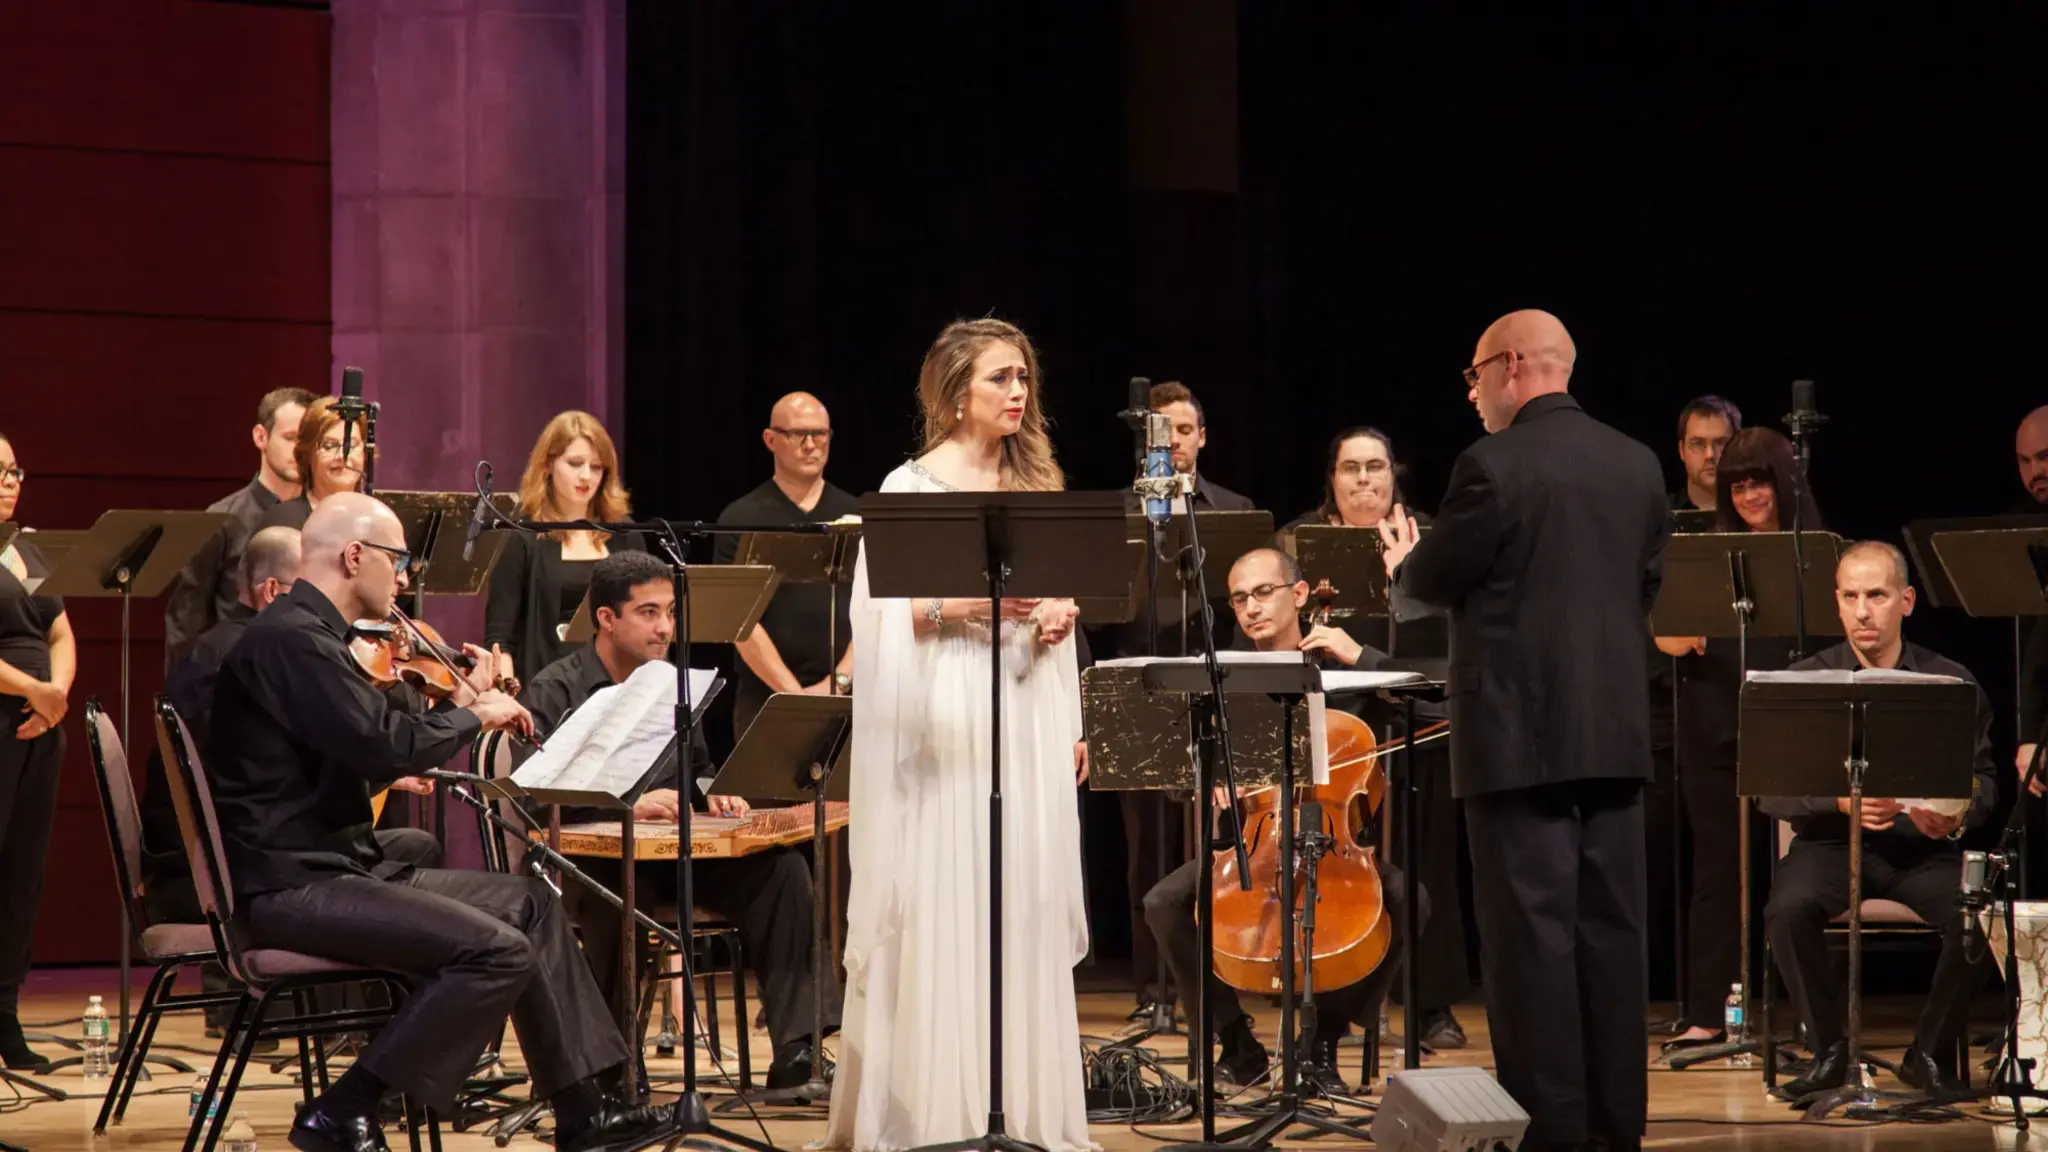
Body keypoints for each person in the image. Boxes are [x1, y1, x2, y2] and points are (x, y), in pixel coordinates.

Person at [207, 493, 668, 1152]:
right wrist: (471, 715)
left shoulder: (310, 638)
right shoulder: (291, 640)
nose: (404, 579)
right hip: (294, 887)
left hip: (338, 865)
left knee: (532, 905)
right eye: (397, 561)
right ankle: (345, 1106)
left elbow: (356, 747)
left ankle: (584, 1112)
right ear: (354, 555)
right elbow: (383, 745)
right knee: (495, 949)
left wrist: (447, 704)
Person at [1379, 310, 1667, 1152]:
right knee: (1612, 945)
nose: (1470, 395)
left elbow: (1436, 576)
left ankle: (1554, 1137)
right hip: (1614, 737)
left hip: (1516, 745)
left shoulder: (1490, 466)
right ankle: (1616, 1132)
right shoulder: (1639, 463)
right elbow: (1642, 588)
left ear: (1510, 367)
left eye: (1472, 376)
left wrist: (1404, 563)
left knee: (1530, 953)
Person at [822, 318, 1093, 1152]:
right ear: (953, 394)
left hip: (1022, 707)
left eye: (1023, 379)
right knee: (948, 893)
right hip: (947, 719)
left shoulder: (1037, 482)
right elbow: (882, 619)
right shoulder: (908, 491)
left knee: (1020, 894)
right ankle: (938, 1114)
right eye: (1000, 379)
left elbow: (1063, 593)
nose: (1017, 393)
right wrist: (967, 607)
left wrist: (1058, 611)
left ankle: (1021, 1110)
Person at [519, 550, 842, 1090]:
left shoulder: (674, 684)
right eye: (648, 612)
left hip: (674, 854)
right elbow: (533, 798)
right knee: (617, 896)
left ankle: (798, 1049)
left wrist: (715, 797)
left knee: (782, 871)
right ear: (606, 618)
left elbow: (699, 770)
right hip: (589, 863)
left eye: (670, 611)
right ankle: (612, 1064)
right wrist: (624, 804)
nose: (665, 627)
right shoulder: (556, 689)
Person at [1142, 547, 1429, 1096]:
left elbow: (1428, 706)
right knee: (1164, 904)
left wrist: (1363, 656)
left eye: (1263, 592)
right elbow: (1176, 771)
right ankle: (1238, 1046)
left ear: (1298, 595)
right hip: (1254, 845)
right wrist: (1211, 781)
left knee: (1408, 900)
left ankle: (1324, 1043)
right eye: (1240, 598)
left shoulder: (1343, 667)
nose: (1251, 608)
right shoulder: (1220, 675)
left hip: (1332, 840)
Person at [141, 527, 443, 1034]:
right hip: (219, 869)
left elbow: (273, 771)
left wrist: (370, 774)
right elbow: (249, 790)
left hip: (235, 850)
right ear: (274, 593)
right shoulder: (259, 649)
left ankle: (376, 1025)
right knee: (425, 883)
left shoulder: (231, 644)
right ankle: (387, 1032)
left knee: (412, 847)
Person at [1763, 542, 1997, 1100]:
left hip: (1921, 851)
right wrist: (1839, 804)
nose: (1863, 611)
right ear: (1837, 604)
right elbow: (1769, 791)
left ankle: (1928, 1054)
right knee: (1786, 911)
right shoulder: (1805, 680)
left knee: (1983, 919)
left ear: (1906, 601)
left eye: (1877, 595)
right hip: (1829, 847)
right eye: (1850, 597)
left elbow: (1985, 781)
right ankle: (1829, 1052)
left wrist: (1954, 817)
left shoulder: (1950, 681)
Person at [1281, 427, 1467, 1049]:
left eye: (1376, 467)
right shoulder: (1298, 544)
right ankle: (1336, 994)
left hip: (1413, 723)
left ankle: (1431, 1002)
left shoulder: (1433, 542)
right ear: (1331, 479)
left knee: (1427, 862)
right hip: (1337, 732)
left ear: (1396, 475)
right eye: (1350, 469)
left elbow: (1444, 654)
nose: (1364, 479)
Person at [1653, 426, 1820, 1052]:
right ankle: (1708, 1012)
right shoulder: (1708, 552)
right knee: (1717, 871)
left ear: (1786, 482)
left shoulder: (1814, 551)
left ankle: (1808, 1012)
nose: (1750, 494)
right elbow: (1667, 637)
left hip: (1794, 728)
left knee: (1800, 871)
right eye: (1738, 484)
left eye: (1759, 481)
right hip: (1714, 723)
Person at [1113, 379, 1255, 1018]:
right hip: (1140, 695)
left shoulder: (1232, 508)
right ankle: (1152, 989)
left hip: (1212, 690)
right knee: (1146, 849)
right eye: (1162, 430)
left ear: (1203, 437)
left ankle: (1217, 988)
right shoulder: (1119, 512)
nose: (1175, 442)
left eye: (1186, 430)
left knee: (1217, 844)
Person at [712, 392, 859, 738]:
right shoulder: (739, 518)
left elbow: (878, 608)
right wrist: (792, 695)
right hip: (766, 699)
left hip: (850, 693)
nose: (811, 445)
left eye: (820, 434)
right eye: (797, 435)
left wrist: (838, 681)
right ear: (770, 439)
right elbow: (740, 620)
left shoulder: (858, 516)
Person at [0, 432, 75, 1071]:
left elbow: (60, 629)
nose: (10, 481)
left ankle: (5, 1016)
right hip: (5, 717)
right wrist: (32, 690)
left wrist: (56, 694)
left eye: (15, 470)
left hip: (40, 728)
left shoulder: (32, 546)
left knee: (22, 873)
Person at [163, 387, 315, 667]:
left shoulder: (320, 516)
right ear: (261, 436)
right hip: (236, 674)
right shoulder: (222, 517)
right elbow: (187, 617)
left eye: (306, 440)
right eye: (290, 438)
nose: (299, 450)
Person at [485, 411, 640, 680]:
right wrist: (507, 699)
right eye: (575, 463)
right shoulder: (524, 536)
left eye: (596, 467)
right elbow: (501, 639)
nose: (586, 476)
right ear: (547, 464)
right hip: (548, 691)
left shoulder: (625, 534)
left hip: (618, 687)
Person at [257, 395, 366, 531]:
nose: (342, 456)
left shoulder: (381, 518)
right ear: (308, 454)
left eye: (352, 445)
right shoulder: (281, 522)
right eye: (329, 445)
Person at [1673, 396, 1741, 513]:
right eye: (1698, 444)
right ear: (1681, 450)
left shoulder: (1761, 516)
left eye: (1721, 443)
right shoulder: (1657, 518)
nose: (1709, 455)